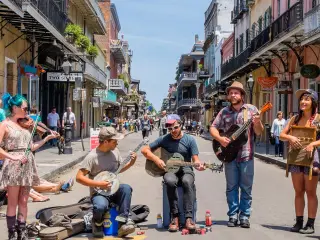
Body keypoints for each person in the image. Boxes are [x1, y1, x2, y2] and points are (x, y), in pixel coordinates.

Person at [0, 93, 58, 240]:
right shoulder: (5, 125)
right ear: (15, 107)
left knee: (24, 201)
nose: (28, 112)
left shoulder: (24, 125)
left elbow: (31, 147)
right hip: (13, 166)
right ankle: (12, 234)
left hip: (27, 166)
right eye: (25, 108)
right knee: (12, 202)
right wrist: (13, 156)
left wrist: (46, 138)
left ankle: (23, 232)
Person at [210, 81, 264, 228]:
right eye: (231, 93)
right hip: (229, 155)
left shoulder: (251, 110)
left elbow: (259, 132)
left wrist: (257, 122)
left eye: (236, 92)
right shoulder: (224, 112)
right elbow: (213, 127)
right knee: (231, 186)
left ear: (242, 95)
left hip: (247, 154)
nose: (233, 95)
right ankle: (233, 215)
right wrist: (220, 138)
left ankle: (245, 216)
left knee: (246, 187)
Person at [141, 114, 205, 232]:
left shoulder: (190, 140)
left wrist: (199, 165)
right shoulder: (165, 139)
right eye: (170, 129)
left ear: (181, 125)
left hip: (186, 169)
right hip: (170, 170)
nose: (173, 131)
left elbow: (196, 159)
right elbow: (144, 150)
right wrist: (157, 159)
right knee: (169, 181)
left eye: (175, 127)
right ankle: (174, 216)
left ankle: (189, 218)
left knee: (187, 181)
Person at [76, 127, 137, 238]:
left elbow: (118, 170)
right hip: (99, 193)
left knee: (126, 188)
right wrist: (100, 184)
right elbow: (79, 178)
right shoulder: (92, 157)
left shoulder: (115, 152)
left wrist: (131, 163)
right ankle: (97, 224)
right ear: (105, 142)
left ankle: (122, 224)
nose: (117, 143)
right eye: (114, 141)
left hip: (114, 189)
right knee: (100, 206)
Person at [280, 89, 320, 234]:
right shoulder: (294, 119)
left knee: (310, 192)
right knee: (298, 191)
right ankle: (298, 222)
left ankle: (310, 224)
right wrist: (290, 138)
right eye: (302, 99)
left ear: (313, 102)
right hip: (296, 159)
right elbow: (282, 135)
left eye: (307, 99)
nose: (303, 101)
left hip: (312, 160)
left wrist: (313, 144)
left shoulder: (318, 119)